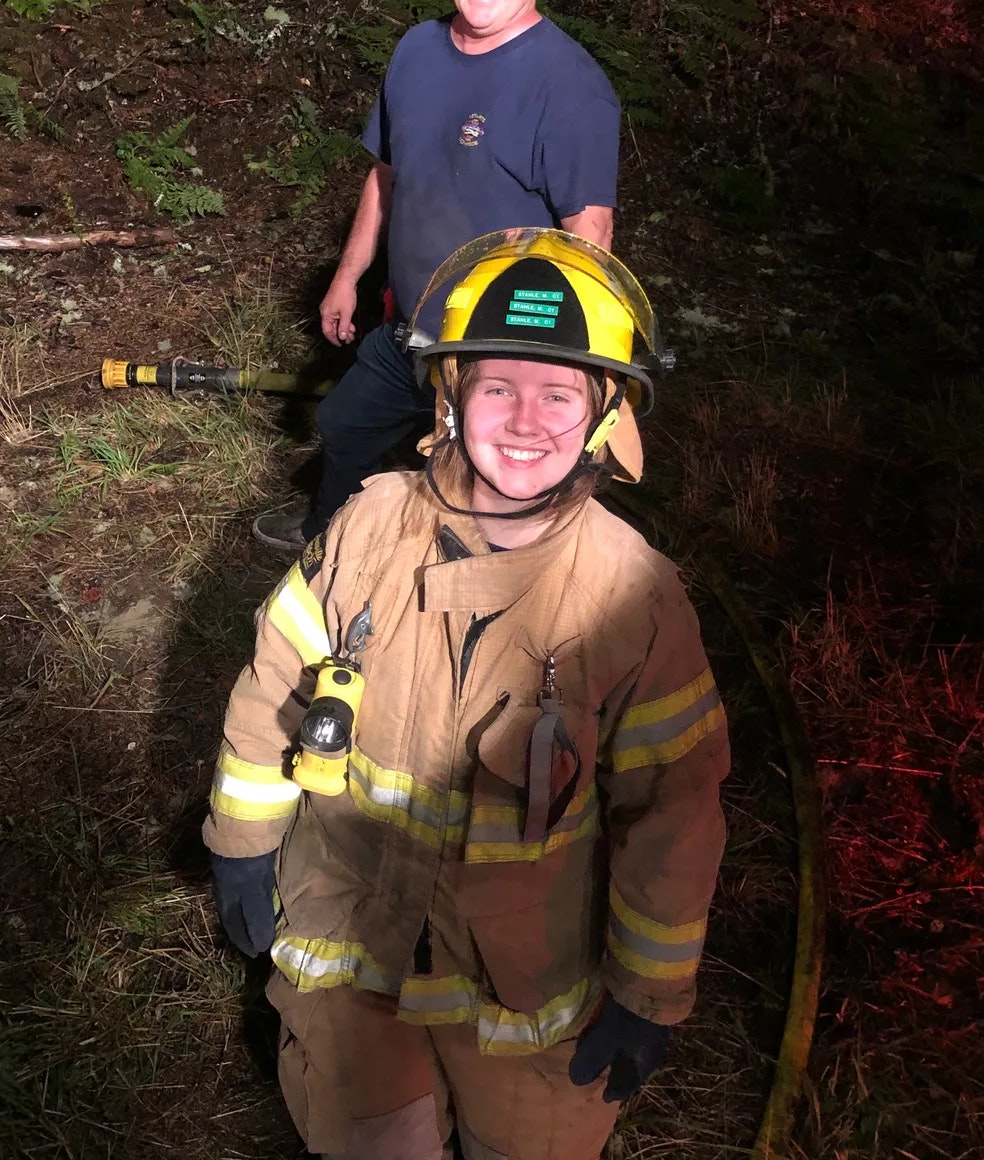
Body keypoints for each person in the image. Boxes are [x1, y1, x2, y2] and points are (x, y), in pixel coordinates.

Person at [206, 229, 730, 1160]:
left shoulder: (635, 598)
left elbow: (675, 813)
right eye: (497, 386)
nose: (525, 421)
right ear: (449, 397)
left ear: (608, 416)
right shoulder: (367, 527)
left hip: (527, 984)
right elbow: (274, 687)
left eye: (559, 393)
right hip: (355, 937)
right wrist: (240, 843)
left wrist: (650, 994)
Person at [253, 0, 621, 553]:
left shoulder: (568, 85)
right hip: (410, 324)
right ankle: (330, 538)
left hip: (498, 348)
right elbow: (387, 173)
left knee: (469, 490)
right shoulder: (416, 51)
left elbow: (590, 235)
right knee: (343, 425)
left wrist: (588, 369)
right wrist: (349, 275)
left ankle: (428, 594)